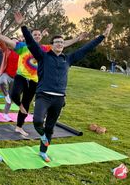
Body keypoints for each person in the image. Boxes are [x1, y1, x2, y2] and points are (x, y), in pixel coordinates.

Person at [14, 11, 113, 162]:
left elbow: (86, 48)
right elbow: (30, 42)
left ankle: (43, 151)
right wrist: (22, 25)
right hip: (43, 96)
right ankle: (42, 136)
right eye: (57, 42)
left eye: (61, 42)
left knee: (50, 127)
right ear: (52, 45)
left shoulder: (68, 59)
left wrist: (103, 36)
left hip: (59, 99)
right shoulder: (43, 56)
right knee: (38, 121)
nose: (60, 44)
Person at [0, 25, 85, 136]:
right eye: (35, 35)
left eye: (39, 35)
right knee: (14, 94)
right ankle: (20, 106)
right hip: (21, 77)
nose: (37, 36)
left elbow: (63, 43)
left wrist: (77, 39)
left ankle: (19, 127)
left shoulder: (45, 49)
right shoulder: (22, 46)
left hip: (34, 80)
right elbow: (8, 41)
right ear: (30, 36)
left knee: (27, 103)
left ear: (41, 37)